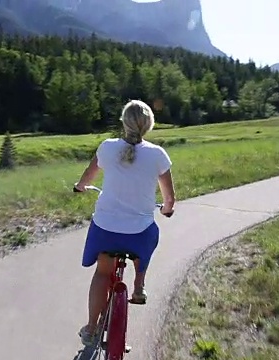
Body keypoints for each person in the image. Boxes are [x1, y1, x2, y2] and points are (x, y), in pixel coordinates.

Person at [74, 99, 176, 346]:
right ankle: (138, 285)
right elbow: (169, 198)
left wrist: (80, 187)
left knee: (102, 272)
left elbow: (88, 176)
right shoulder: (157, 155)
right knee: (148, 235)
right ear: (148, 125)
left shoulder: (107, 148)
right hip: (138, 233)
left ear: (123, 122)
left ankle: (90, 328)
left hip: (106, 229)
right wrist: (167, 210)